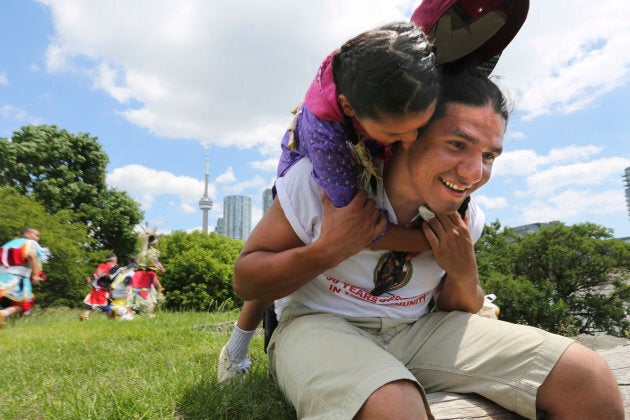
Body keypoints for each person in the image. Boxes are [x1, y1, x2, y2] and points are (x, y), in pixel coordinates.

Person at [232, 70, 624, 419]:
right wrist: (326, 251)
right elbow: (246, 281)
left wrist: (463, 273)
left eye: (489, 155)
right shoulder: (323, 185)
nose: (474, 173)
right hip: (319, 325)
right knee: (392, 404)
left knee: (585, 375)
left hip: (416, 331)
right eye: (457, 145)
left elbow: (458, 310)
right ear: (406, 135)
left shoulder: (467, 216)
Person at [217, 21, 441, 383]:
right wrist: (425, 241)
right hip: (323, 170)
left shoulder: (378, 73)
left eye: (420, 127)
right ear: (350, 108)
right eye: (398, 134)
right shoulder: (325, 140)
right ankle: (237, 348)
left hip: (360, 147)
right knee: (290, 254)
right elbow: (355, 227)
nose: (412, 141)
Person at [0, 227, 50, 327]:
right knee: (25, 303)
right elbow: (31, 256)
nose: (37, 238)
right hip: (17, 278)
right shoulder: (29, 243)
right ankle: (3, 314)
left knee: (5, 300)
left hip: (2, 276)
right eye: (36, 235)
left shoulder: (9, 244)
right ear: (26, 234)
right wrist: (35, 274)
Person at [129, 235, 165, 317]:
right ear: (154, 243)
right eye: (157, 242)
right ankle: (150, 315)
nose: (158, 243)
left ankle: (129, 314)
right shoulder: (153, 251)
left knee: (135, 295)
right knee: (152, 296)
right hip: (148, 275)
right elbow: (154, 260)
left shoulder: (142, 251)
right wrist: (161, 268)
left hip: (138, 274)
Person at [80, 252, 118, 321]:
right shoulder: (114, 266)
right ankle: (111, 317)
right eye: (116, 259)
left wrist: (88, 281)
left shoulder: (101, 266)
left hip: (95, 289)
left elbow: (93, 277)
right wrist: (111, 291)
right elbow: (110, 278)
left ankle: (85, 315)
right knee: (106, 306)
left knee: (92, 306)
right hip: (104, 290)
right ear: (113, 260)